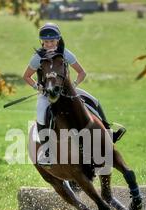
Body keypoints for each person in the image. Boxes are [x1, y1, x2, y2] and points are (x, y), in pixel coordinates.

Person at [23, 22, 125, 165]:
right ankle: (47, 151)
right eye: (45, 42)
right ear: (42, 42)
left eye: (51, 41)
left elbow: (82, 73)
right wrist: (38, 87)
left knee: (94, 101)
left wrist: (74, 85)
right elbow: (26, 76)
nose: (49, 44)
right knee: (40, 115)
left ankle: (109, 133)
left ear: (58, 40)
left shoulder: (65, 53)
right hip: (47, 93)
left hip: (67, 91)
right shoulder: (38, 57)